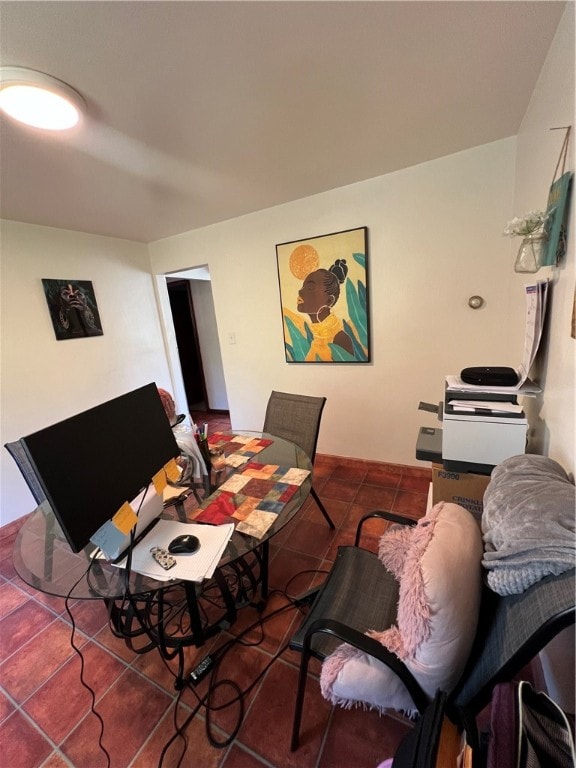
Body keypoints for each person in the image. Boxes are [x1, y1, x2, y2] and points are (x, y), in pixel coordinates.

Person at [296, 258, 354, 360]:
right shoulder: (316, 340)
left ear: (329, 301)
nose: (300, 291)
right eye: (302, 287)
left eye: (310, 288)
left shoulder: (340, 340)